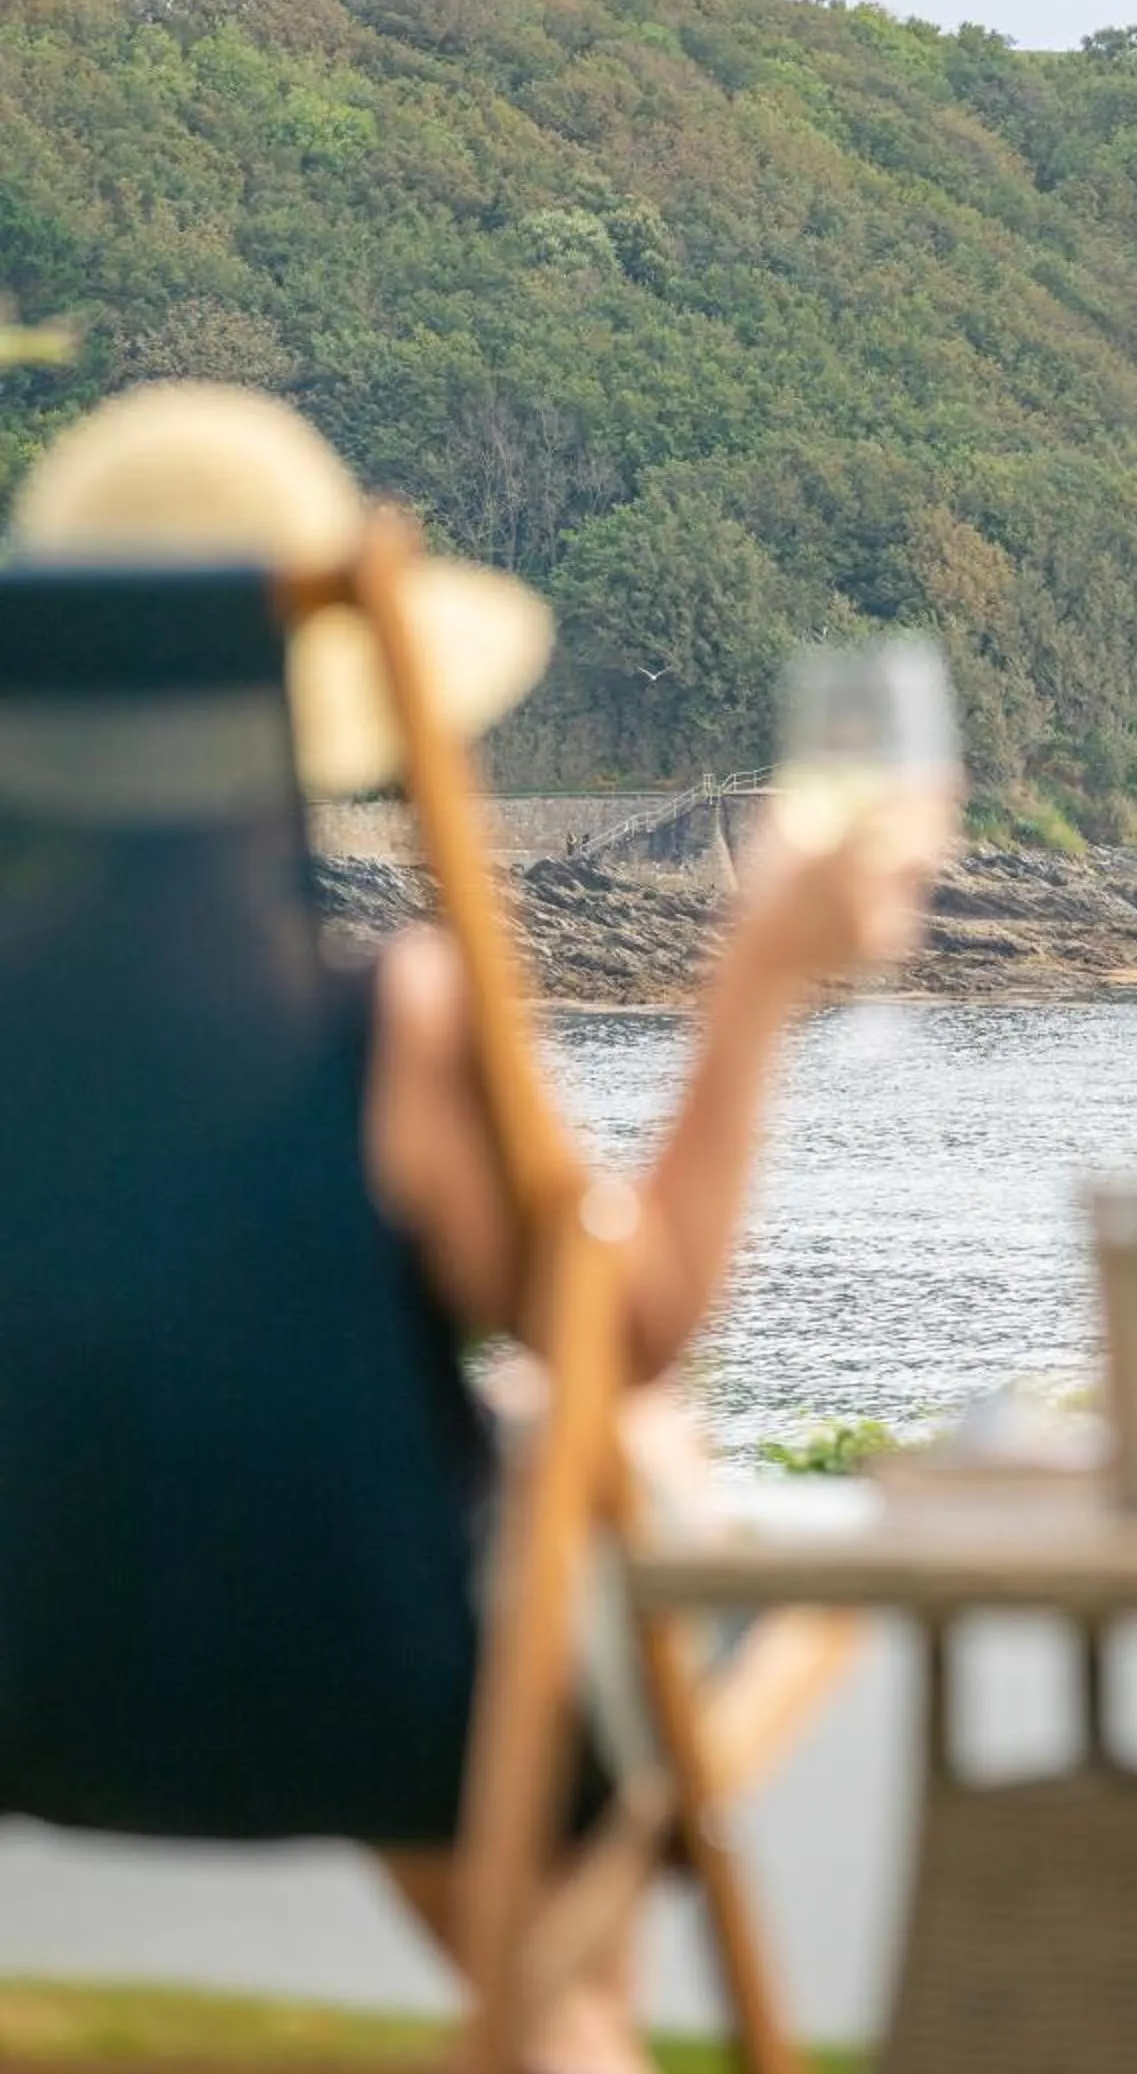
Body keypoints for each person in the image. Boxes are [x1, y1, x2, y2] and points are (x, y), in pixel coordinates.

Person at [2, 382, 958, 2073]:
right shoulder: (386, 1038)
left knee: (549, 1976)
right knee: (633, 1445)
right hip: (373, 1689)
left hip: (50, 1694)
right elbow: (633, 1320)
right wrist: (752, 982)